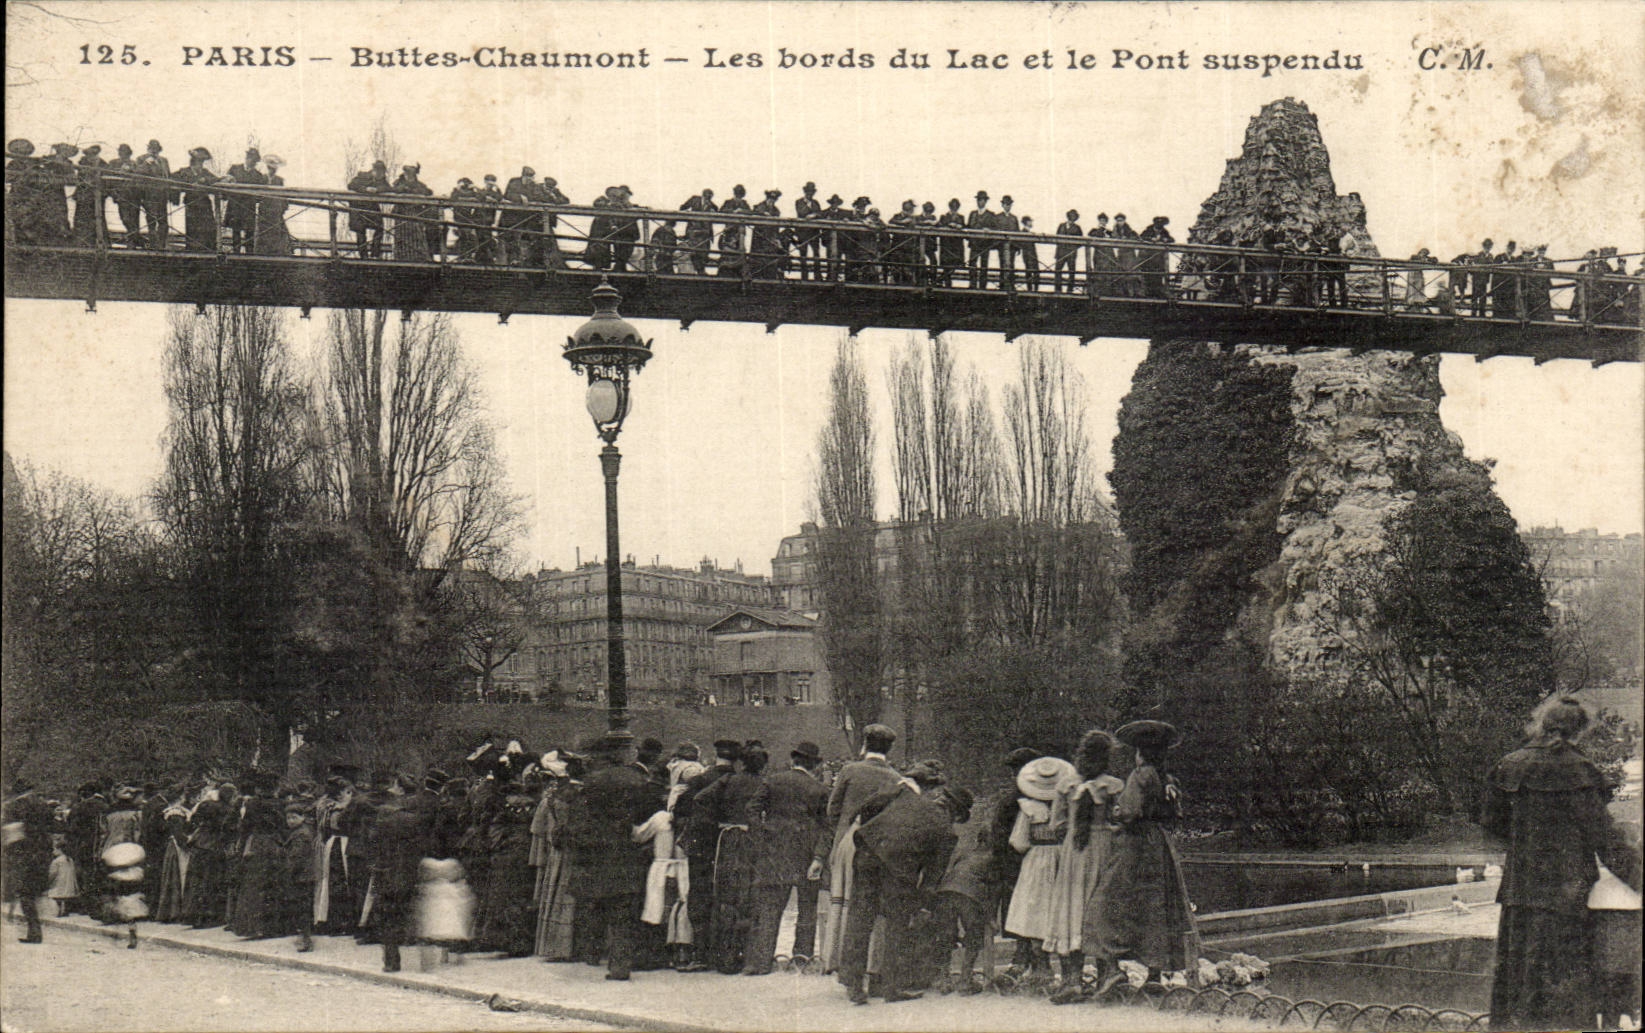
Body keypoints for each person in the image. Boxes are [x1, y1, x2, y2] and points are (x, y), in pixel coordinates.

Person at [1481, 696, 1641, 1032]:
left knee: (1518, 994)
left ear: (1542, 724)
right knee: (1564, 1000)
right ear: (1578, 732)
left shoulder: (1510, 764)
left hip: (1519, 894)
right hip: (1564, 899)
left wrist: (1527, 842)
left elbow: (1493, 823)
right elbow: (1607, 841)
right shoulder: (1578, 770)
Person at [1085, 719, 1198, 988]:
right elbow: (1174, 813)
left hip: (1135, 844)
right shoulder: (1167, 780)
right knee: (1156, 903)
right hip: (1159, 844)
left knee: (1108, 901)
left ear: (1140, 752)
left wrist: (1116, 812)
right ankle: (1155, 974)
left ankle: (1112, 966)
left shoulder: (1140, 775)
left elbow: (1128, 811)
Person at [839, 780, 969, 1005]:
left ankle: (853, 984)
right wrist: (921, 905)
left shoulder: (905, 796)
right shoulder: (947, 833)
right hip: (898, 870)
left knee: (860, 918)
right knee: (896, 925)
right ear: (954, 812)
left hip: (867, 851)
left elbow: (868, 806)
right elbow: (931, 878)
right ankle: (890, 987)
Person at [562, 733, 658, 980]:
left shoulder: (591, 783)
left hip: (597, 855)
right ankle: (620, 964)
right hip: (627, 851)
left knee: (594, 905)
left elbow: (579, 821)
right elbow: (648, 815)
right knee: (623, 911)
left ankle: (592, 953)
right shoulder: (638, 780)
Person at [1047, 730, 1126, 1003]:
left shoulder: (1066, 785)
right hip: (1103, 849)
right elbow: (1122, 822)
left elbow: (1055, 825)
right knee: (1100, 905)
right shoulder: (1114, 785)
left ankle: (1072, 981)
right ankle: (1106, 976)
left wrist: (1072, 830)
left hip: (1074, 852)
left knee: (1071, 908)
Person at [816, 724, 901, 973]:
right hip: (880, 846)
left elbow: (832, 810)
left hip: (849, 842)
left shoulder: (850, 770)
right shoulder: (896, 777)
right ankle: (870, 966)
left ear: (865, 745)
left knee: (843, 901)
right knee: (871, 905)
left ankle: (838, 960)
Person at [745, 740, 831, 973]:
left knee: (770, 907)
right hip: (807, 853)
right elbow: (827, 828)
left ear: (793, 760)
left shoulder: (772, 781)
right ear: (814, 765)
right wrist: (820, 858)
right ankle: (801, 959)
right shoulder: (820, 789)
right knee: (807, 908)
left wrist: (763, 836)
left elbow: (752, 810)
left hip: (774, 853)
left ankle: (760, 963)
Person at [692, 742, 768, 972]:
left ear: (742, 762)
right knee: (748, 896)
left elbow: (700, 799)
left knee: (725, 896)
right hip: (751, 842)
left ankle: (721, 955)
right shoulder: (764, 784)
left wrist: (718, 820)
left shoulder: (728, 780)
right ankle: (742, 954)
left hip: (726, 840)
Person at [1003, 755, 1075, 980]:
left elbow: (1019, 841)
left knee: (1034, 910)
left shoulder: (1028, 808)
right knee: (1061, 910)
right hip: (1063, 858)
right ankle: (1068, 970)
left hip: (1036, 860)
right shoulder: (1067, 807)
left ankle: (1041, 968)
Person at [673, 738, 736, 970]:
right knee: (729, 897)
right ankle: (727, 953)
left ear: (715, 754)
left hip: (702, 846)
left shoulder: (700, 780)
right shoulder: (737, 782)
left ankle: (699, 954)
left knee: (699, 894)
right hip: (731, 847)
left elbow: (679, 810)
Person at [371, 773, 432, 972]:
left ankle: (391, 961)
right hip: (409, 872)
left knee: (388, 917)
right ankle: (424, 962)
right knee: (413, 914)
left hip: (385, 872)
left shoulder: (384, 817)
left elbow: (373, 842)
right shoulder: (416, 821)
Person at [4, 780, 56, 943]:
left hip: (24, 854)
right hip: (43, 853)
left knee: (25, 893)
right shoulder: (43, 805)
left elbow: (12, 835)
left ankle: (34, 932)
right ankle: (35, 931)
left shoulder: (14, 807)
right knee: (34, 892)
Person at [282, 801, 317, 952]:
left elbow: (296, 857)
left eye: (294, 817)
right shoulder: (302, 831)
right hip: (304, 875)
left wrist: (287, 872)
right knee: (301, 907)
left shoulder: (302, 834)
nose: (290, 821)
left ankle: (305, 939)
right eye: (288, 818)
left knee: (302, 907)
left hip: (302, 876)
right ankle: (303, 936)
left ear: (302, 817)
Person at [223, 148, 265, 254]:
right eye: (250, 158)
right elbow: (226, 185)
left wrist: (253, 199)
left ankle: (249, 255)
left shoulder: (258, 175)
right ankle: (236, 253)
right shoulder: (234, 169)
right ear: (246, 158)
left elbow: (260, 194)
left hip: (248, 207)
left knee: (249, 232)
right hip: (235, 205)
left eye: (254, 160)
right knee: (235, 231)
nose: (251, 161)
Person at [134, 140, 174, 250]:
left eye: (156, 148)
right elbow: (136, 172)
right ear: (148, 148)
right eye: (152, 148)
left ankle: (162, 244)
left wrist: (170, 191)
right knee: (151, 219)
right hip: (148, 194)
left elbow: (168, 176)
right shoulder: (141, 159)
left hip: (162, 194)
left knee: (163, 220)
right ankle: (153, 244)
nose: (154, 150)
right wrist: (146, 164)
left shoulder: (163, 161)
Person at [346, 161, 390, 259]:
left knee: (380, 227)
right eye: (378, 172)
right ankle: (363, 255)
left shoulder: (382, 180)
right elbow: (351, 185)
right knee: (360, 231)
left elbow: (388, 188)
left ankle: (375, 254)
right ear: (374, 170)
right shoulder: (362, 176)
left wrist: (377, 190)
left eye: (382, 173)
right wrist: (365, 189)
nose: (380, 175)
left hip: (371, 208)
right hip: (358, 209)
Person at [499, 166, 541, 267]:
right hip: (510, 217)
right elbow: (508, 195)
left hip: (523, 218)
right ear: (523, 176)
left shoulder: (534, 186)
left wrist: (527, 198)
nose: (530, 180)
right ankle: (511, 260)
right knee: (509, 239)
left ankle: (516, 260)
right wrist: (520, 198)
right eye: (528, 178)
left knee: (519, 239)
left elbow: (537, 197)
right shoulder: (514, 182)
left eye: (531, 178)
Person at [390, 164, 432, 262]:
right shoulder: (398, 183)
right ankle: (401, 257)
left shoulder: (420, 185)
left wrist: (414, 191)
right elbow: (394, 190)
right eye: (407, 173)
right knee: (402, 236)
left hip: (415, 212)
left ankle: (419, 257)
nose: (409, 175)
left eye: (411, 173)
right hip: (401, 213)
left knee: (417, 235)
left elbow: (428, 192)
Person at [252, 156, 291, 256]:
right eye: (270, 167)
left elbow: (285, 197)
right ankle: (262, 253)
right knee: (263, 232)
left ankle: (276, 253)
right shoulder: (262, 178)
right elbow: (257, 194)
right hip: (264, 210)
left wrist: (282, 208)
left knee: (276, 232)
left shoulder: (280, 180)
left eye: (274, 168)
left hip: (275, 211)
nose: (272, 170)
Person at [71, 144, 109, 246]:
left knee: (98, 217)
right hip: (83, 194)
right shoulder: (82, 162)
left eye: (94, 153)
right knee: (81, 217)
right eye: (90, 153)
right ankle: (81, 241)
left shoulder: (102, 163)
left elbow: (106, 179)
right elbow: (80, 178)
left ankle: (100, 241)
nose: (91, 156)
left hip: (96, 195)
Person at [106, 144, 142, 246]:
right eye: (121, 152)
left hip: (134, 195)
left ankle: (132, 241)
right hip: (121, 194)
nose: (123, 154)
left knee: (134, 218)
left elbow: (140, 177)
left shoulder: (134, 164)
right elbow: (109, 178)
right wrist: (112, 192)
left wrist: (132, 171)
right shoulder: (113, 163)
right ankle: (135, 237)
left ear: (129, 153)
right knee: (125, 218)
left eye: (126, 153)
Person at [679, 188, 717, 275]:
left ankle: (701, 271)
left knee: (703, 253)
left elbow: (717, 211)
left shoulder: (712, 205)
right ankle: (698, 271)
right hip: (694, 232)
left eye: (710, 198)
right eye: (707, 197)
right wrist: (688, 213)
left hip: (705, 234)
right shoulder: (694, 199)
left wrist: (712, 211)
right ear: (703, 195)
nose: (708, 199)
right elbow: (682, 207)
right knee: (694, 252)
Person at [935, 199, 965, 288]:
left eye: (956, 207)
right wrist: (948, 226)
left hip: (957, 245)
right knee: (946, 265)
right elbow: (939, 226)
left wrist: (960, 227)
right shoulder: (944, 216)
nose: (954, 209)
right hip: (946, 244)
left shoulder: (961, 217)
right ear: (950, 207)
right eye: (952, 206)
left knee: (956, 263)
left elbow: (965, 227)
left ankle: (940, 279)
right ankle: (947, 284)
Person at [967, 191, 994, 288]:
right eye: (978, 200)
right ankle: (972, 284)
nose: (980, 202)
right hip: (974, 243)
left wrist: (989, 230)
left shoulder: (990, 215)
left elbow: (994, 228)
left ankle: (983, 286)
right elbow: (968, 226)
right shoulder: (973, 214)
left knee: (984, 265)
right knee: (972, 263)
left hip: (985, 244)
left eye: (982, 200)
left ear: (986, 201)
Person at [1053, 211, 1083, 293]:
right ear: (1068, 216)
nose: (1072, 218)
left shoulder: (1077, 228)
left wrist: (1073, 247)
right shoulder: (1061, 226)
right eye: (1071, 216)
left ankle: (1069, 291)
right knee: (1058, 270)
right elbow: (1056, 237)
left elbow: (1081, 241)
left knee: (1071, 272)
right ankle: (1058, 290)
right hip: (1061, 252)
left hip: (1071, 253)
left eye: (1074, 216)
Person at [1470, 238, 1496, 316]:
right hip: (1476, 279)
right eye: (1486, 246)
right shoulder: (1478, 255)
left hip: (1484, 280)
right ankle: (1473, 314)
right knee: (1475, 297)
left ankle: (1482, 314)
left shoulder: (1491, 256)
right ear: (1483, 246)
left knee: (1483, 297)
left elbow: (1492, 266)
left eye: (1489, 246)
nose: (1488, 248)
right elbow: (1473, 267)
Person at [1019, 215, 1041, 291]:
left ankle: (1032, 289)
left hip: (1031, 254)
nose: (1031, 223)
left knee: (1032, 272)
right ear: (1026, 222)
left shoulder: (1029, 232)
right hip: (1029, 255)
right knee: (1032, 272)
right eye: (1030, 221)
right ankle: (1032, 290)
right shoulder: (1024, 232)